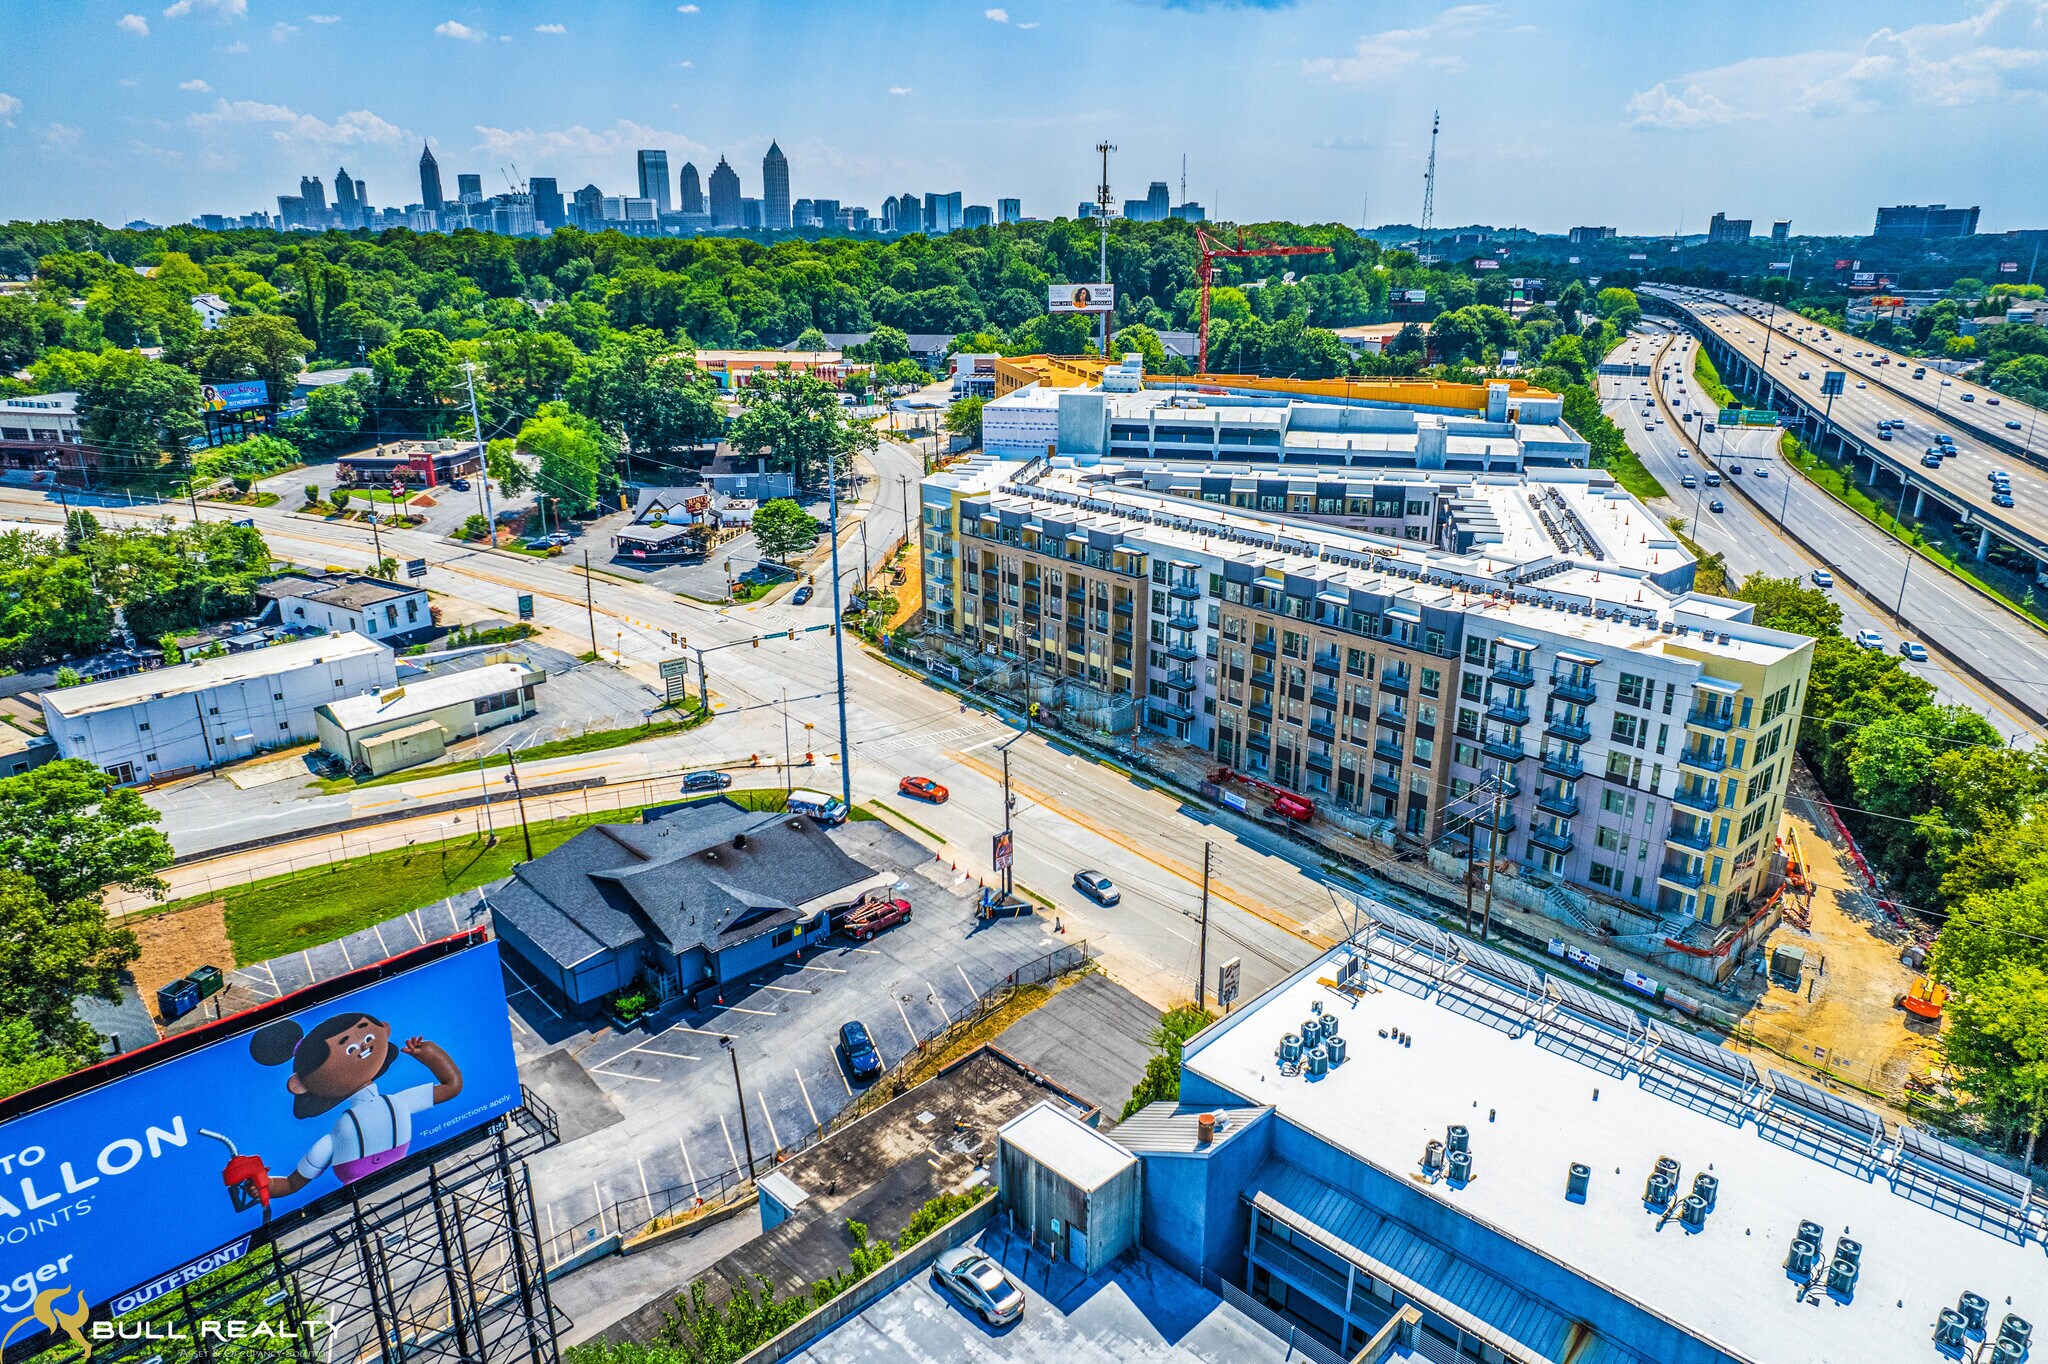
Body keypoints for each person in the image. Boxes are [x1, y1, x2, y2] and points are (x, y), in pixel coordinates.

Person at [220, 1011, 464, 1207]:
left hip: (408, 1188)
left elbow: (451, 1087)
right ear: (300, 1085)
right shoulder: (353, 1125)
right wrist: (267, 1186)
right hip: (361, 1203)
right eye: (348, 1048)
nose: (363, 1047)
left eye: (367, 1038)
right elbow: (293, 1183)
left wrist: (430, 1053)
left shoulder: (386, 1109)